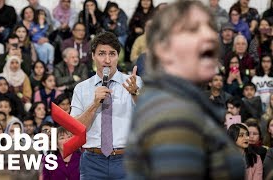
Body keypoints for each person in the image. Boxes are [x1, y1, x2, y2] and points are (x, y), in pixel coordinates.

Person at [125, 1, 245, 179]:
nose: (210, 35)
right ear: (163, 49)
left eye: (210, 27)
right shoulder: (175, 114)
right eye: (193, 30)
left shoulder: (170, 98)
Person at [70, 31, 142, 179]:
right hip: (92, 161)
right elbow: (74, 129)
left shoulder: (135, 83)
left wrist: (135, 94)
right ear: (93, 56)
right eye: (102, 53)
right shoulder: (81, 88)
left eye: (112, 54)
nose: (107, 60)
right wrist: (94, 104)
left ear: (118, 56)